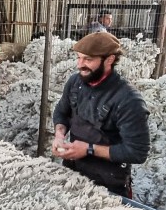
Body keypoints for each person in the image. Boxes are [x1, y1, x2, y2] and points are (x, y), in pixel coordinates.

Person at [52, 32, 150, 198]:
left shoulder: (128, 100)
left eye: (88, 60)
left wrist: (89, 149)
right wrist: (59, 135)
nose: (80, 65)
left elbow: (137, 152)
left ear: (109, 60)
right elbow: (62, 111)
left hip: (108, 184)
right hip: (72, 172)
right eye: (78, 58)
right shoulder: (75, 83)